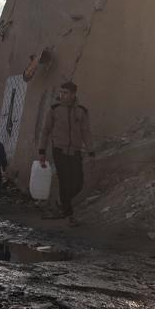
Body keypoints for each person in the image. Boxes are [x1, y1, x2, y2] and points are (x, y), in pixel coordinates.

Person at [38, 81, 94, 225]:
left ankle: (61, 202)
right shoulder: (54, 109)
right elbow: (45, 131)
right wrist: (42, 152)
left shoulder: (82, 111)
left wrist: (91, 152)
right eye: (61, 92)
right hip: (59, 151)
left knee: (78, 183)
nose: (62, 95)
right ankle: (69, 216)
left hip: (75, 151)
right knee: (65, 182)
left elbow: (86, 133)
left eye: (65, 93)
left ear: (73, 94)